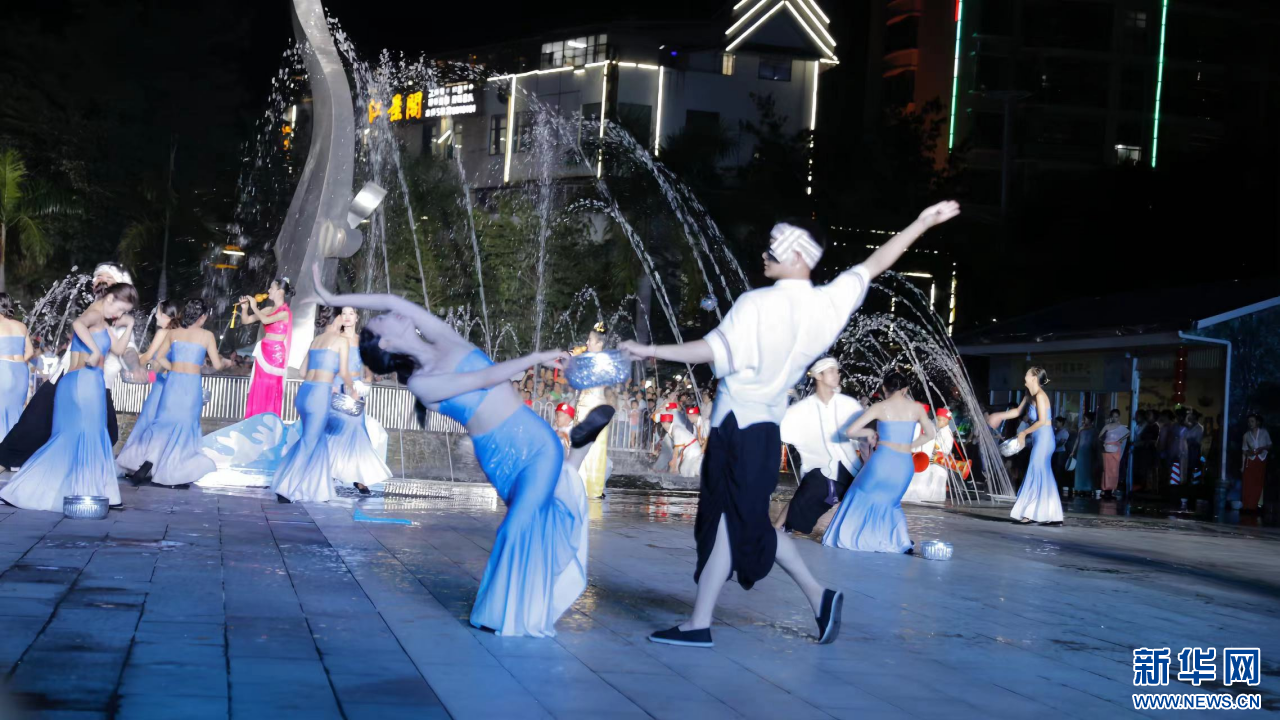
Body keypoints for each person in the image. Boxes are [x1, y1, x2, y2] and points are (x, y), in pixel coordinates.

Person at [621, 201, 960, 648]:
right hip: (763, 434)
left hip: (734, 432)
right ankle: (710, 620)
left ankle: (796, 601)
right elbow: (875, 263)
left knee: (737, 526)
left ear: (798, 255)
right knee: (733, 524)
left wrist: (651, 351)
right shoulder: (827, 304)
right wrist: (920, 223)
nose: (765, 252)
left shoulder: (757, 303)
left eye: (774, 246)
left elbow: (711, 350)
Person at [313, 268, 612, 638]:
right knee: (540, 514)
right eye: (384, 320)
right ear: (386, 343)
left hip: (538, 442)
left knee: (518, 524)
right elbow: (485, 378)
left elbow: (390, 299)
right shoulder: (422, 384)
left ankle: (497, 614)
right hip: (501, 458)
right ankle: (577, 456)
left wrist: (332, 297)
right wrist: (536, 356)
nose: (393, 313)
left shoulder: (445, 338)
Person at [0, 283, 138, 511]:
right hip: (81, 382)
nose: (120, 314)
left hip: (90, 382)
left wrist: (130, 324)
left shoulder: (104, 322)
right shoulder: (95, 313)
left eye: (125, 312)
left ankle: (99, 492)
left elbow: (119, 350)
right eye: (120, 309)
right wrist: (95, 350)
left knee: (89, 436)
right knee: (82, 436)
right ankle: (25, 491)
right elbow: (77, 323)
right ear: (110, 299)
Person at [116, 299, 227, 487]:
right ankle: (172, 474)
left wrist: (174, 368)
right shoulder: (207, 335)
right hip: (191, 384)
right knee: (185, 425)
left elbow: (159, 358)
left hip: (172, 383)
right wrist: (225, 363)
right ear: (202, 317)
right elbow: (216, 365)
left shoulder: (173, 333)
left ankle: (147, 461)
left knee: (162, 424)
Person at [823, 372, 934, 553]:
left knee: (860, 494)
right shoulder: (917, 409)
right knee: (892, 502)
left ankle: (853, 537)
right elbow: (930, 434)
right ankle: (900, 542)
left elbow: (850, 431)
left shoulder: (879, 408)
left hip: (882, 461)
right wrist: (910, 445)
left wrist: (869, 433)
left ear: (884, 388)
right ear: (905, 389)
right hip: (904, 464)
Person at [271, 306, 352, 504]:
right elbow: (344, 373)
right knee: (309, 441)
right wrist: (353, 390)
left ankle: (319, 490)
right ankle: (285, 488)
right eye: (343, 315)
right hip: (320, 395)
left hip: (305, 392)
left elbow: (302, 372)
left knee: (317, 439)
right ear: (337, 318)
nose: (346, 319)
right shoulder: (341, 341)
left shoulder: (316, 341)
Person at [775, 357, 864, 533]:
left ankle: (863, 534)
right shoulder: (802, 409)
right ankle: (778, 527)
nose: (837, 374)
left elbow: (865, 432)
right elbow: (780, 430)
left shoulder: (849, 404)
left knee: (862, 496)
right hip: (819, 470)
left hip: (850, 467)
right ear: (818, 375)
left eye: (837, 371)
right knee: (807, 493)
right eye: (831, 370)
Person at [326, 306, 392, 495]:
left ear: (357, 317)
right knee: (334, 431)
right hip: (336, 387)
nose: (347, 317)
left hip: (356, 388)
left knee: (357, 431)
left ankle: (360, 477)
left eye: (351, 313)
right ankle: (328, 472)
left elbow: (368, 366)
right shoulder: (334, 338)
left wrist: (366, 383)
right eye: (344, 313)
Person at [992, 368, 1063, 524]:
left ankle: (1030, 513)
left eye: (1027, 374)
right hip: (1039, 439)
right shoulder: (1029, 395)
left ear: (1034, 378)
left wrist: (1023, 433)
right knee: (1043, 474)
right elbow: (1017, 411)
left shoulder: (1041, 396)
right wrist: (999, 415)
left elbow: (1042, 421)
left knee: (1034, 470)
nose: (1024, 375)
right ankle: (1052, 514)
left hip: (1045, 439)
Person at [117, 300, 178, 467]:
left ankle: (137, 461)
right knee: (164, 425)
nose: (155, 316)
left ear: (164, 314)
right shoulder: (179, 333)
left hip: (161, 386)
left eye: (157, 312)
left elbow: (148, 356)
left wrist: (134, 366)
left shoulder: (163, 332)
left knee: (148, 421)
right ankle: (159, 462)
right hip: (172, 383)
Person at [239, 278, 294, 418]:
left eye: (271, 288)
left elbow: (265, 320)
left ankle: (268, 422)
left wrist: (254, 307)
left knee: (270, 388)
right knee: (259, 386)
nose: (268, 290)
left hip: (276, 355)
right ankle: (255, 420)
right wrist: (245, 309)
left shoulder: (285, 312)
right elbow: (246, 320)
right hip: (263, 351)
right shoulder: (268, 309)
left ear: (280, 291)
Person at [573, 325, 612, 498]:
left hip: (592, 410)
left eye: (590, 340)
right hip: (587, 409)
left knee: (590, 450)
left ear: (599, 343)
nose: (587, 343)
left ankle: (586, 488)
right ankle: (583, 487)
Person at [902, 406, 954, 504]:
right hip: (931, 459)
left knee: (935, 479)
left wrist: (935, 447)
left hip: (937, 460)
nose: (937, 422)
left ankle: (933, 497)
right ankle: (931, 497)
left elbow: (945, 448)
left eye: (939, 420)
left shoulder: (945, 432)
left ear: (946, 421)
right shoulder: (937, 429)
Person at [0, 293, 34, 442]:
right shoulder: (22, 326)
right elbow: (30, 352)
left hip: (3, 368)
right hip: (21, 371)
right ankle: (14, 446)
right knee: (17, 409)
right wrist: (17, 364)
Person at [1099, 409, 1130, 498]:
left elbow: (1128, 433)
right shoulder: (1107, 426)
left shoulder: (1121, 428)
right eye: (1113, 416)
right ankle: (1105, 490)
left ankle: (1111, 490)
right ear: (1110, 417)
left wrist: (1119, 441)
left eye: (1116, 417)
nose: (1114, 418)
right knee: (1106, 470)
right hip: (1107, 450)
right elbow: (1100, 437)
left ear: (1118, 417)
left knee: (1114, 471)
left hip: (1116, 451)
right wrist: (1105, 442)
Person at [1242, 414, 1270, 511]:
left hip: (1261, 459)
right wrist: (1248, 454)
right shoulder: (1246, 435)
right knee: (1249, 483)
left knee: (1258, 482)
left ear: (1257, 422)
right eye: (1249, 422)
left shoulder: (1264, 432)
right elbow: (1244, 450)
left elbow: (1269, 445)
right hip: (1251, 460)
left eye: (1252, 421)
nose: (1250, 423)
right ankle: (1248, 505)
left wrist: (1262, 448)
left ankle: (1255, 505)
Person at [1069, 412, 1097, 497]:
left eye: (1085, 418)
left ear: (1090, 419)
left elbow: (1095, 442)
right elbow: (1077, 440)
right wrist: (1073, 451)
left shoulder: (1094, 430)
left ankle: (1088, 488)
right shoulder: (1081, 428)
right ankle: (1080, 488)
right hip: (1081, 451)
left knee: (1088, 469)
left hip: (1089, 451)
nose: (1084, 420)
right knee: (1080, 469)